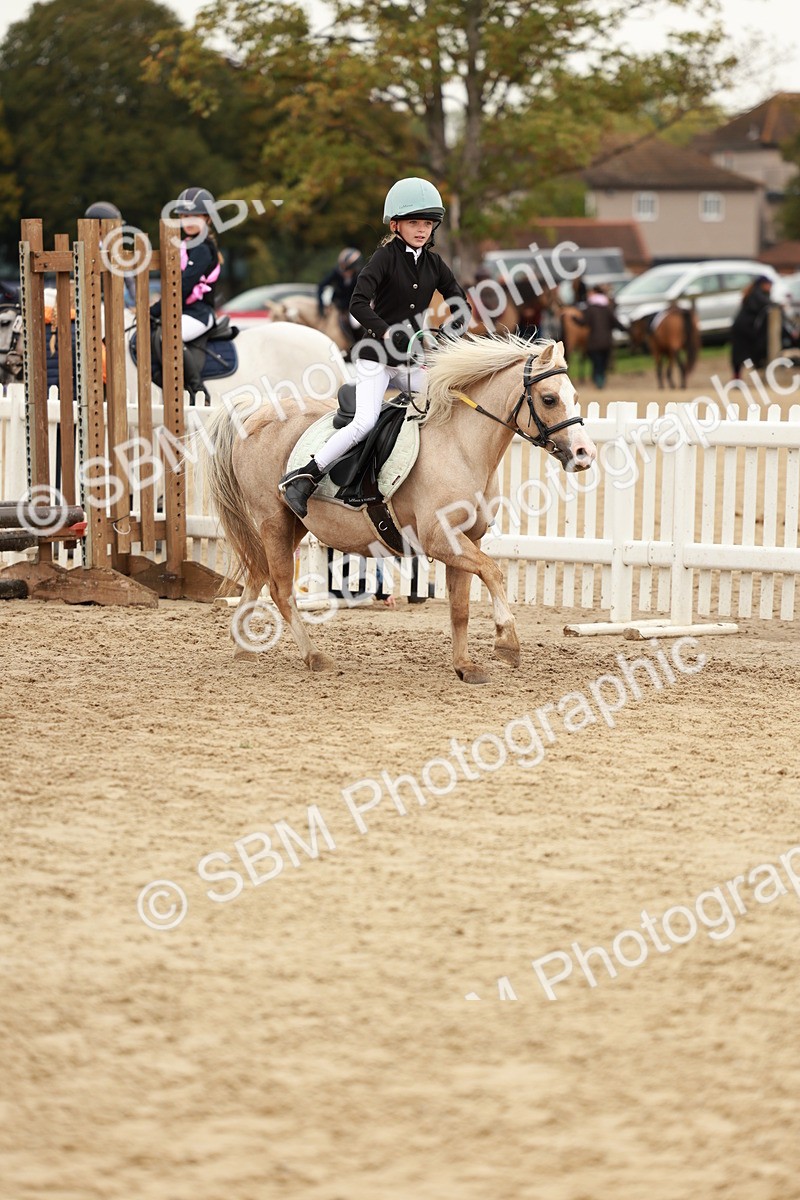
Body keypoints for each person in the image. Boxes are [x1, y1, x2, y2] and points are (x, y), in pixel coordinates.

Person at [279, 177, 469, 518]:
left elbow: (457, 298)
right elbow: (358, 303)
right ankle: (304, 477)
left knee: (447, 400)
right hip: (376, 359)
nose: (422, 229)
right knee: (365, 421)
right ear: (396, 225)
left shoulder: (434, 264)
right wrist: (385, 332)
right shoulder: (384, 258)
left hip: (409, 361)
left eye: (427, 223)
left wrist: (454, 328)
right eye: (414, 222)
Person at [571, 284, 626, 389]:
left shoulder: (590, 309)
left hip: (594, 342)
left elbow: (583, 322)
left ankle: (598, 379)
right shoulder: (607, 308)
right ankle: (601, 379)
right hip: (607, 342)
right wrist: (626, 329)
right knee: (603, 362)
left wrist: (573, 318)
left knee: (597, 363)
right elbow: (616, 322)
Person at [731, 275, 774, 379]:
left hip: (745, 327)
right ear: (763, 284)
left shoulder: (756, 293)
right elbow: (766, 303)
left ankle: (739, 376)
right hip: (744, 328)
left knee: (741, 353)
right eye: (769, 285)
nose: (770, 287)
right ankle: (738, 377)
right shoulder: (757, 293)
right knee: (742, 353)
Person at [318, 247, 364, 344]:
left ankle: (358, 344)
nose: (344, 272)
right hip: (337, 304)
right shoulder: (337, 272)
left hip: (352, 305)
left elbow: (358, 295)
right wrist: (322, 305)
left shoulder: (360, 276)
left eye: (347, 269)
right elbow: (321, 285)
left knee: (355, 323)